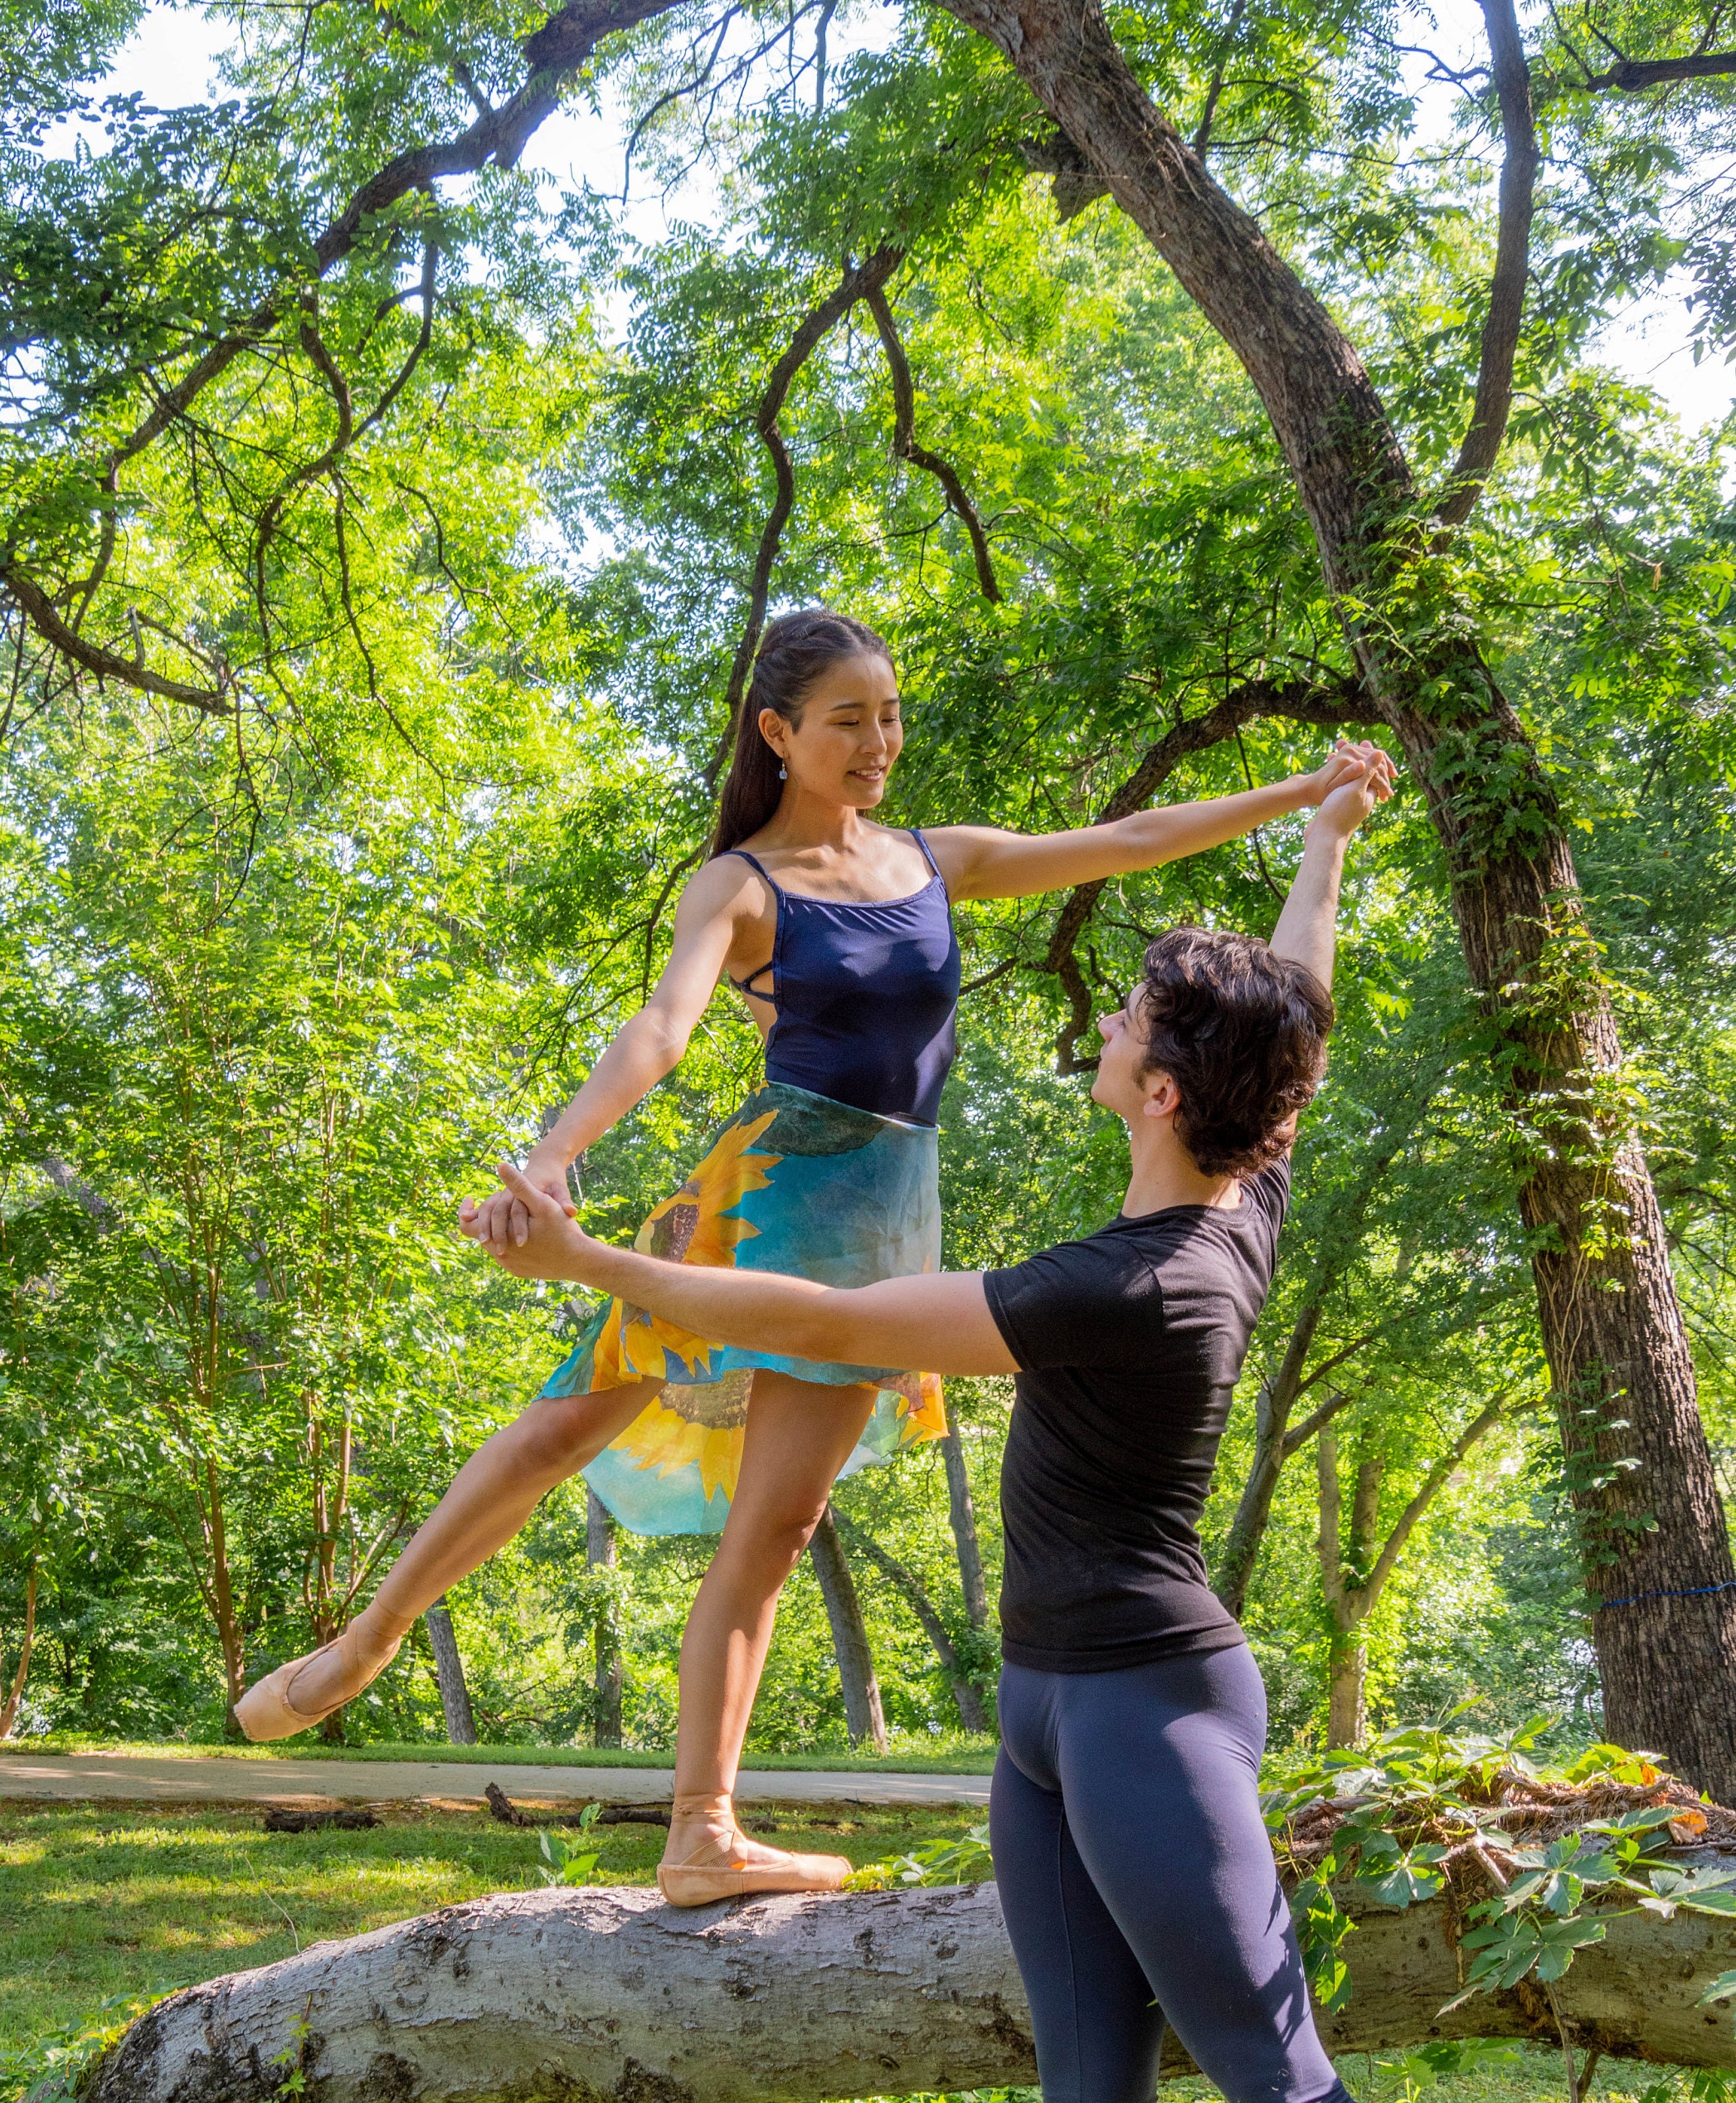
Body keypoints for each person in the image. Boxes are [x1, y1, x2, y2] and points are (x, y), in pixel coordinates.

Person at [479, 747, 1505, 2103]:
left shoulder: (1130, 1288)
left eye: (1130, 1018)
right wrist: (1320, 844)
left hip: (1146, 1715)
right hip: (1049, 1722)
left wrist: (594, 1274)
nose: (1103, 1023)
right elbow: (1298, 1010)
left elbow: (819, 1311)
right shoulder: (1240, 1190)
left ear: (1167, 1093)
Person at [237, 603, 1388, 1910]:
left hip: (884, 1216)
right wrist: (555, 1157)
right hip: (774, 1183)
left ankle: (702, 1829)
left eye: (889, 715)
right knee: (571, 1421)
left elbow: (1124, 840)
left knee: (777, 1526)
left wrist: (1314, 794)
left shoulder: (931, 863)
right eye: (849, 719)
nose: (879, 741)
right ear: (779, 734)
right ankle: (363, 1642)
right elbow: (658, 1029)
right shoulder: (739, 886)